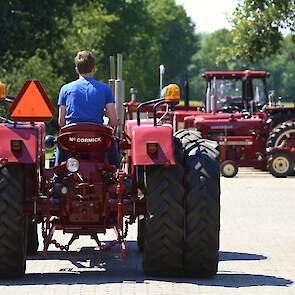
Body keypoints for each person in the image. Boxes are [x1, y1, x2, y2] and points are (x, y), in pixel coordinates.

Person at [56, 50, 119, 167]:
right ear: (94, 69)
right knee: (113, 143)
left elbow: (61, 122)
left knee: (60, 142)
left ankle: (57, 178)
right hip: (97, 139)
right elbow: (114, 121)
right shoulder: (105, 89)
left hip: (72, 139)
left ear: (76, 69)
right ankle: (115, 170)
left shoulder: (65, 89)